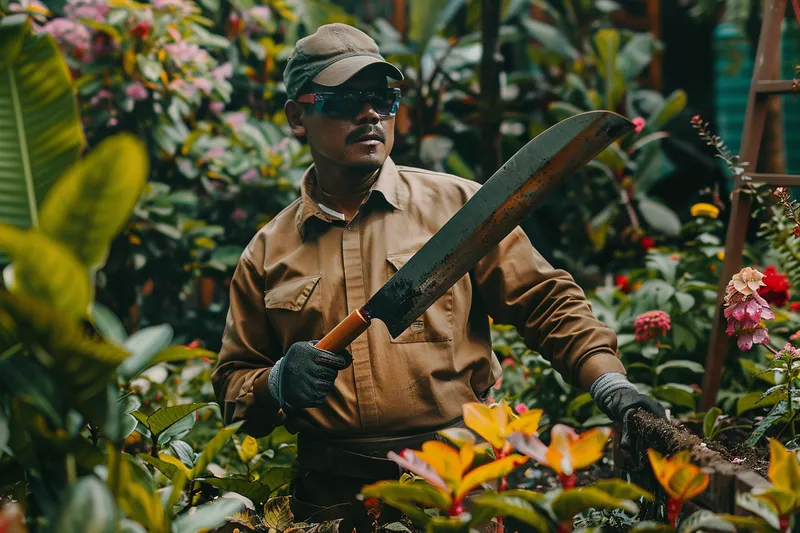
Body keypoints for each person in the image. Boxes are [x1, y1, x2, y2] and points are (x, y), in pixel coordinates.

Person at [211, 22, 666, 533]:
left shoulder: (459, 211)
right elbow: (233, 384)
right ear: (299, 115)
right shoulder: (267, 252)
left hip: (457, 490)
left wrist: (608, 383)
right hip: (333, 502)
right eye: (344, 101)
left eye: (382, 98)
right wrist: (275, 383)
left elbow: (545, 301)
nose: (369, 115)